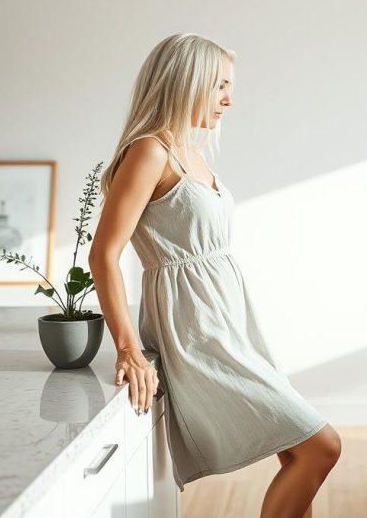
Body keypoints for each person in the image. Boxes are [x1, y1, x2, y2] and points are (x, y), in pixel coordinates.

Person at [88, 32, 341, 518]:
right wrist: (128, 349)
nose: (229, 98)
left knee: (296, 449)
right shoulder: (151, 152)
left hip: (233, 325)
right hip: (197, 332)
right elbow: (104, 253)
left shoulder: (191, 152)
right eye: (220, 85)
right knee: (321, 447)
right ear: (186, 82)